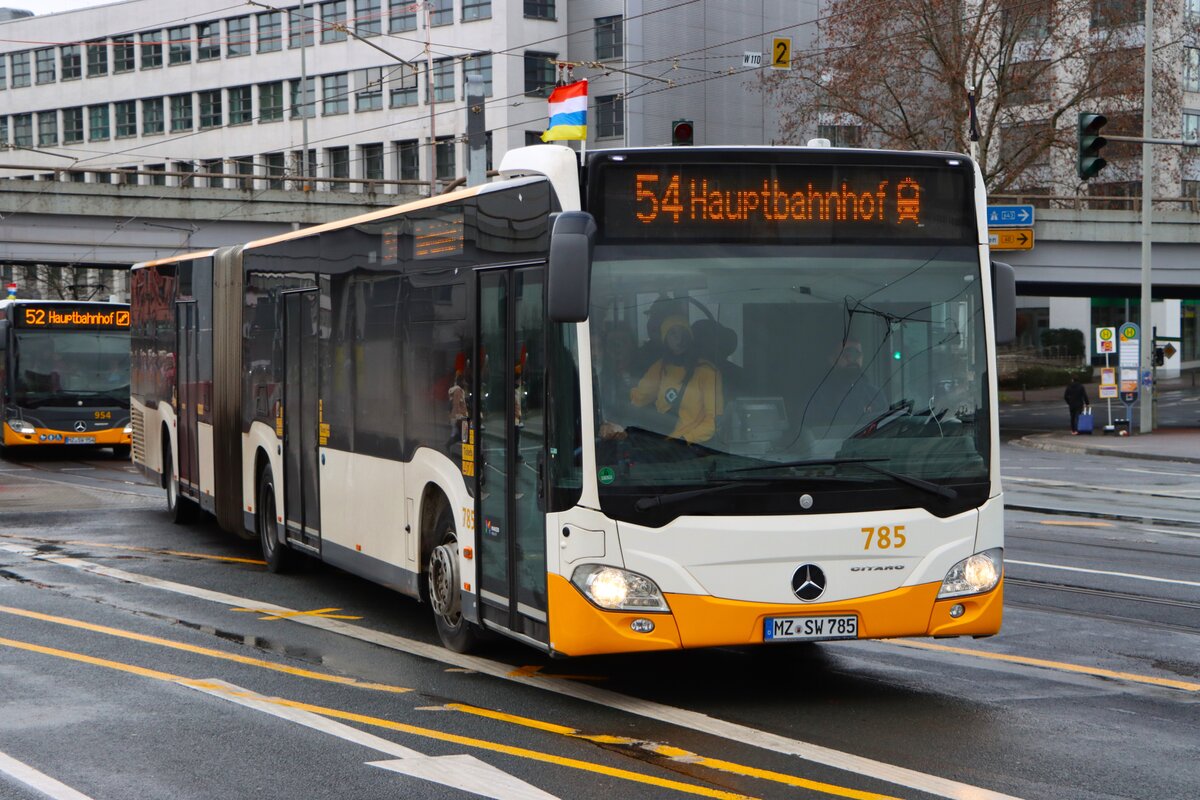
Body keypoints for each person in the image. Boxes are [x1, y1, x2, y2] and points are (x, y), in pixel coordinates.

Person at [629, 315, 723, 444]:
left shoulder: (708, 372)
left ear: (690, 336)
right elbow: (639, 398)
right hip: (660, 443)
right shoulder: (661, 367)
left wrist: (686, 439)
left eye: (682, 332)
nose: (679, 337)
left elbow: (713, 421)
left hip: (690, 446)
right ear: (665, 339)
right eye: (672, 333)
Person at [807, 338, 881, 432]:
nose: (852, 359)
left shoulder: (874, 394)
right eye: (847, 354)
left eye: (857, 354)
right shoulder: (817, 396)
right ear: (832, 359)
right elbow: (810, 432)